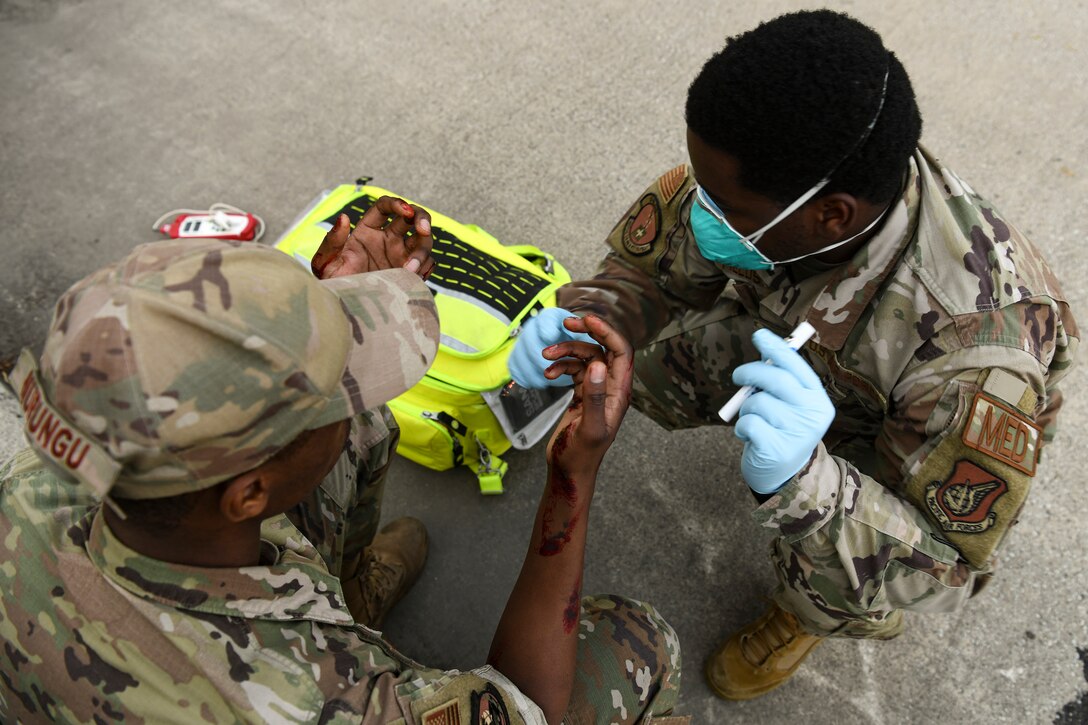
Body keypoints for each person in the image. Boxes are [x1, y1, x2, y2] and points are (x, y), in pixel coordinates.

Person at [508, 9, 1078, 702]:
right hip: (800, 345)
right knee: (640, 371)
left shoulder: (975, 361)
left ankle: (806, 615)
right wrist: (595, 318)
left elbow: (944, 565)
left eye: (724, 206)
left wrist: (806, 482)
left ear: (831, 214)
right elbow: (655, 270)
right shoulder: (766, 181)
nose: (698, 209)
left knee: (830, 563)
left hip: (899, 438)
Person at [0, 195, 684, 723]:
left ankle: (347, 599)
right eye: (334, 387)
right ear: (249, 493)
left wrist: (313, 309)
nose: (352, 390)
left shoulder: (35, 483)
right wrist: (572, 481)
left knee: (354, 433)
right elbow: (529, 704)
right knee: (640, 639)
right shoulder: (322, 700)